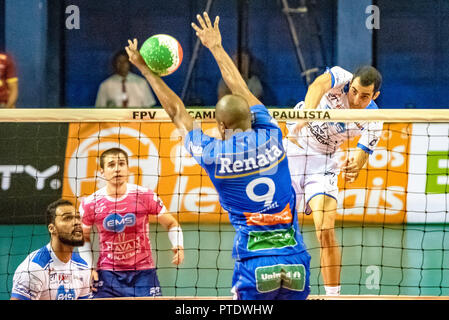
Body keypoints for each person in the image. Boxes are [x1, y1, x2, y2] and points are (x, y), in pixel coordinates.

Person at [125, 12, 311, 300]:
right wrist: (216, 46)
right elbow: (242, 90)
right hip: (296, 257)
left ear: (221, 126)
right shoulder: (273, 134)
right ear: (251, 117)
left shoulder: (212, 153)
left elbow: (177, 112)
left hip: (254, 264)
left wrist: (146, 70)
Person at [284, 65, 384, 296]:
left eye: (365, 96)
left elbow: (359, 159)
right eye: (355, 91)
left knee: (325, 230)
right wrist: (306, 116)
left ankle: (333, 296)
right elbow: (317, 85)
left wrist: (353, 167)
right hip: (293, 150)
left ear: (375, 96)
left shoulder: (374, 119)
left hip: (324, 164)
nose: (357, 99)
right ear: (351, 84)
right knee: (279, 226)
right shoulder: (340, 77)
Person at [79, 147, 184, 298]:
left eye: (121, 164)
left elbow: (171, 223)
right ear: (101, 172)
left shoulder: (145, 195)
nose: (117, 169)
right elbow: (84, 237)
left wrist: (178, 244)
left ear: (128, 169)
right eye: (111, 165)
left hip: (143, 273)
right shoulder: (91, 203)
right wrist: (88, 266)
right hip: (108, 274)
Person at [11, 199, 91, 300]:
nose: (77, 222)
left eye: (78, 218)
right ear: (52, 228)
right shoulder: (34, 268)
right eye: (67, 218)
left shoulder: (83, 267)